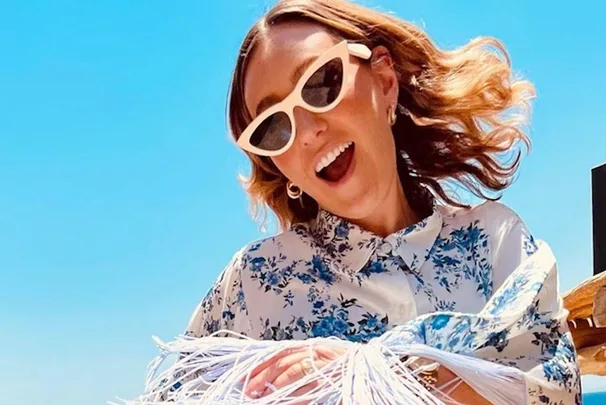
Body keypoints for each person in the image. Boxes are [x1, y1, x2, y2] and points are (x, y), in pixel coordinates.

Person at [178, 0, 581, 403]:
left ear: (385, 80)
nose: (306, 131)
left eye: (321, 84)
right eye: (273, 127)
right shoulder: (254, 285)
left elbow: (555, 393)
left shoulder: (494, 241)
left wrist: (360, 372)